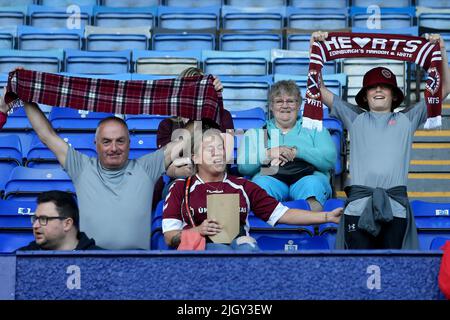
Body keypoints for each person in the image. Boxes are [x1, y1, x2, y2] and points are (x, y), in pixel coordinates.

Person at [311, 31, 450, 249]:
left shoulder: (407, 118)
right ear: (365, 95)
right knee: (356, 270)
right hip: (359, 206)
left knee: (394, 269)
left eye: (384, 86)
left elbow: (442, 90)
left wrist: (441, 51)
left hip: (395, 206)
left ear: (394, 95)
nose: (378, 89)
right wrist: (315, 50)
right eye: (372, 87)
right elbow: (317, 89)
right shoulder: (354, 116)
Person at [4, 94, 187, 250]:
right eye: (106, 141)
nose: (113, 148)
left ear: (129, 143)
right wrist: (27, 96)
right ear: (96, 145)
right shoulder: (81, 167)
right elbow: (46, 135)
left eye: (120, 141)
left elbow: (186, 140)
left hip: (136, 266)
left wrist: (208, 105)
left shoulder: (147, 167)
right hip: (90, 263)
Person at [162, 127, 342, 251]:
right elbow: (170, 237)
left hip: (240, 247)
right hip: (200, 253)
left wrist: (326, 216)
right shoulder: (180, 188)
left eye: (221, 148)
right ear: (195, 157)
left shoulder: (241, 186)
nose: (218, 153)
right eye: (210, 149)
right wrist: (198, 231)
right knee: (221, 252)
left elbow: (282, 214)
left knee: (248, 248)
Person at [237, 80, 336, 211]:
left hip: (308, 177)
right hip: (270, 178)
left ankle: (310, 229)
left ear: (299, 104)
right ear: (271, 106)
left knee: (313, 185)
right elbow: (244, 168)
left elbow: (329, 160)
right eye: (279, 101)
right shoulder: (256, 133)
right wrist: (268, 153)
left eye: (290, 101)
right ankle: (265, 231)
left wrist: (297, 152)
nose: (285, 106)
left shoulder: (315, 129)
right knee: (260, 186)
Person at [152, 67, 234, 208]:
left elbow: (226, 156)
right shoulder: (166, 125)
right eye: (190, 89)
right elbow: (167, 162)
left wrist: (217, 101)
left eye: (200, 89)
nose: (194, 95)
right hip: (181, 181)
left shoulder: (222, 116)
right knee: (170, 192)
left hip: (216, 179)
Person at [18, 191, 102, 251]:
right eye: (35, 219)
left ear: (67, 224)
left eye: (43, 219)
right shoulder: (20, 257)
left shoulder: (102, 260)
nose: (35, 225)